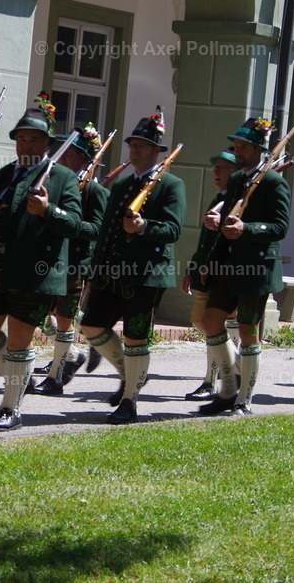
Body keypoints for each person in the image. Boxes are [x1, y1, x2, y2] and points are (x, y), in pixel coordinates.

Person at [0, 94, 82, 431]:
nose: (27, 143)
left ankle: (10, 407)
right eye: (22, 137)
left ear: (47, 143)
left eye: (35, 138)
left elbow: (74, 224)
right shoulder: (2, 176)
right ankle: (22, 377)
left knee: (19, 341)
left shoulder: (61, 178)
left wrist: (47, 211)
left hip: (32, 274)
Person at [80, 108, 186, 424]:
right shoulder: (123, 185)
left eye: (141, 145)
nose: (134, 150)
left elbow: (173, 229)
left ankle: (130, 401)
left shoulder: (171, 185)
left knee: (136, 336)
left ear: (156, 151)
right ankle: (131, 374)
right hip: (110, 272)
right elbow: (106, 232)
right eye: (132, 145)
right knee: (91, 325)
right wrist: (93, 268)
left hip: (145, 274)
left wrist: (143, 227)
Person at [198, 118, 289, 416]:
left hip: (256, 269)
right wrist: (218, 226)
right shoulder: (236, 180)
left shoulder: (275, 182)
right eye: (235, 145)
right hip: (228, 266)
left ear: (258, 149)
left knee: (249, 332)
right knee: (211, 322)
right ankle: (227, 387)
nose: (236, 151)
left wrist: (247, 229)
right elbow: (228, 220)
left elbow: (280, 226)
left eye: (243, 146)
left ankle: (244, 399)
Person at [33, 123, 109, 396]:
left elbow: (97, 230)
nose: (62, 157)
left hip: (75, 262)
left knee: (65, 319)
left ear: (84, 159)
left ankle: (57, 377)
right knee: (42, 316)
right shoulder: (57, 182)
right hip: (50, 259)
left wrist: (68, 222)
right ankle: (72, 354)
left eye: (71, 153)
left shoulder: (94, 191)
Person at [181, 149, 239, 401]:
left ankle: (212, 380)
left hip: (227, 275)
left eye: (223, 168)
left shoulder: (239, 200)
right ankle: (233, 368)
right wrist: (192, 269)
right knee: (202, 321)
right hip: (207, 273)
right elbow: (205, 242)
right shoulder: (219, 198)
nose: (216, 172)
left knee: (213, 325)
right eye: (215, 167)